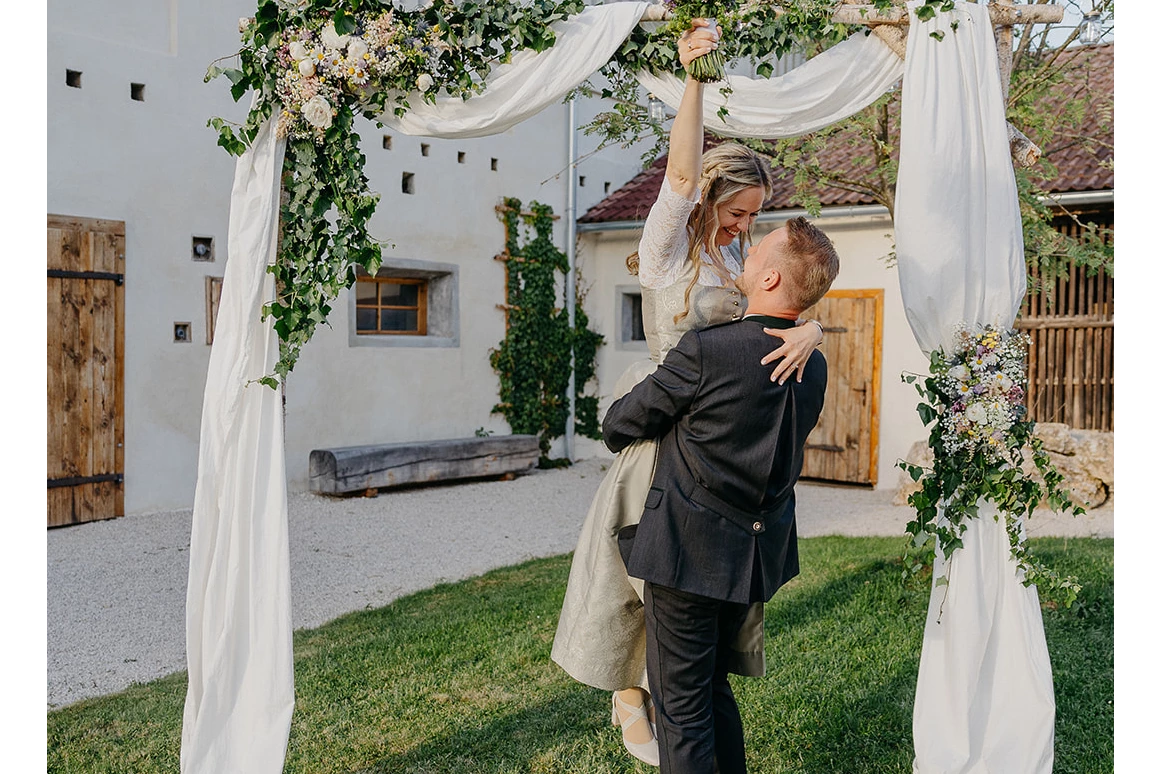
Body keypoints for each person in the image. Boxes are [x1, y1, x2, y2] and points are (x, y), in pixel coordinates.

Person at [550, 18, 824, 766]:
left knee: (676, 599)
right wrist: (694, 80)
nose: (745, 225)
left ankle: (647, 699)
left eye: (753, 217)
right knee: (638, 585)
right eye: (738, 211)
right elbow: (678, 175)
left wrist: (814, 327)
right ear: (712, 198)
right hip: (661, 424)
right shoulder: (671, 248)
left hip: (705, 425)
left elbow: (789, 287)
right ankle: (629, 694)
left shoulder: (738, 254)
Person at [604, 215, 840, 774]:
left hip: (689, 552)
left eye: (762, 249)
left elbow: (619, 424)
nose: (749, 249)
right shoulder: (815, 361)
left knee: (680, 709)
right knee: (711, 689)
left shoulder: (709, 350)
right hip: (753, 558)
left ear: (773, 281)